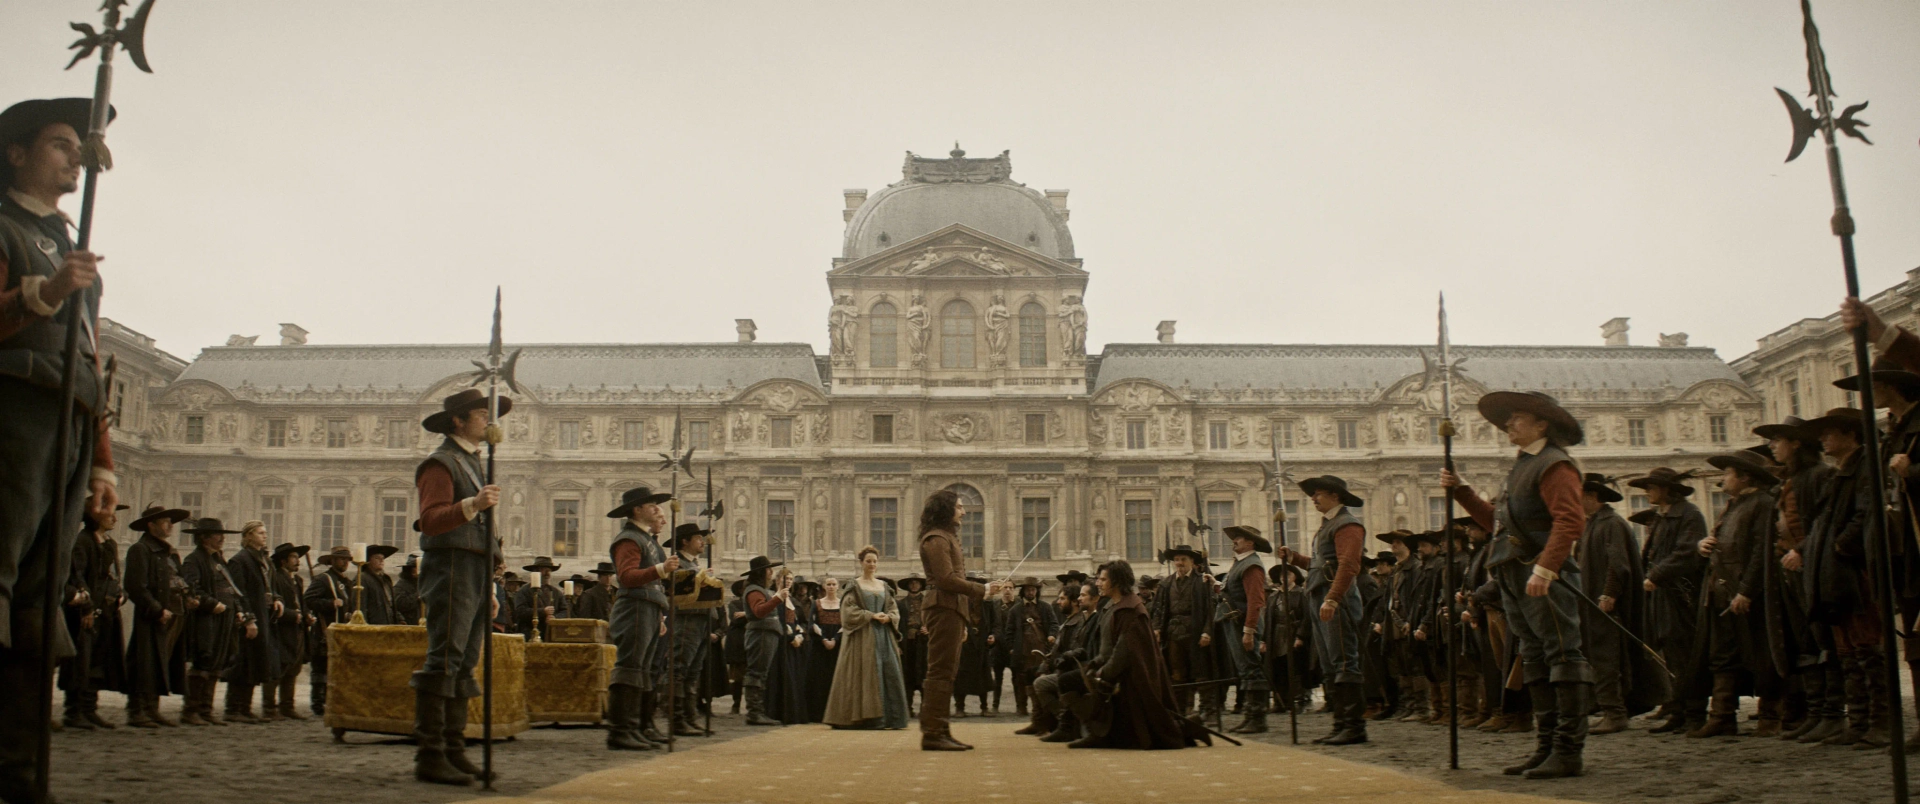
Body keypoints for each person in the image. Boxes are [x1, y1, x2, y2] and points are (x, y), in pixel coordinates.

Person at [0, 96, 121, 802]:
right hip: (12, 415)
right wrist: (42, 294)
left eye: (79, 148)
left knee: (38, 612)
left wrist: (101, 455)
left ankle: (19, 775)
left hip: (66, 430)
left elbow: (88, 362)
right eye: (57, 144)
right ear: (16, 153)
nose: (73, 157)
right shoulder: (6, 230)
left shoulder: (74, 252)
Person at [1441, 390, 1591, 779]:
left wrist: (1546, 569)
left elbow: (1569, 521)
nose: (1508, 424)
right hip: (1512, 572)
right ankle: (1545, 747)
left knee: (1562, 655)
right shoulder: (1524, 465)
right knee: (1535, 658)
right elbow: (1499, 523)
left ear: (1542, 423)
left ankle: (1568, 750)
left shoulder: (1555, 465)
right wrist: (1462, 491)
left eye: (1517, 418)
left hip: (1541, 574)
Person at [409, 387, 510, 785]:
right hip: (450, 565)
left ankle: (453, 747)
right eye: (483, 414)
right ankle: (429, 753)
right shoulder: (440, 463)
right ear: (458, 420)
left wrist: (489, 581)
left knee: (466, 660)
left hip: (474, 567)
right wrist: (474, 505)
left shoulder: (472, 463)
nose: (490, 421)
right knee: (445, 657)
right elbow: (431, 521)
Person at [1799, 407, 1888, 748]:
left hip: (1854, 570)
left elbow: (1865, 513)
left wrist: (1840, 547)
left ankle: (1880, 722)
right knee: (1848, 650)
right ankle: (1860, 721)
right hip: (1835, 570)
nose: (1823, 439)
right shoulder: (1840, 473)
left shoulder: (1865, 467)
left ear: (1851, 435)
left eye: (1830, 433)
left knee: (1867, 647)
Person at [1686, 450, 1784, 738]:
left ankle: (1770, 716)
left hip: (1746, 593)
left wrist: (1746, 591)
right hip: (1720, 590)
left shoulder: (1763, 504)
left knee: (1762, 653)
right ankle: (1722, 716)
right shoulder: (1733, 505)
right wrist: (1704, 545)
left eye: (1728, 473)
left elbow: (1760, 552)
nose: (1723, 478)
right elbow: (1723, 542)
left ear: (1744, 476)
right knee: (1722, 655)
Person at [1064, 560, 1201, 749]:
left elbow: (1124, 653)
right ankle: (1096, 732)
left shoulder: (1131, 611)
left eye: (1103, 579)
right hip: (1116, 672)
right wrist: (1095, 665)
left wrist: (1102, 673)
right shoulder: (1113, 606)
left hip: (1132, 679)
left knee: (1152, 730)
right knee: (1072, 680)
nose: (1098, 583)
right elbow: (1108, 647)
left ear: (1117, 581)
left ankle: (1189, 727)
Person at [1758, 416, 1836, 742]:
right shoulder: (1791, 481)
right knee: (1804, 644)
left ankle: (1833, 714)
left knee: (1823, 642)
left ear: (1796, 443)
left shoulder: (1820, 476)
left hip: (1812, 567)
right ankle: (1816, 713)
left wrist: (1802, 549)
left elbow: (1823, 522)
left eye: (1778, 440)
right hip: (1789, 569)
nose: (1773, 447)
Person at [1281, 476, 1368, 746]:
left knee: (1343, 661)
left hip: (1335, 601)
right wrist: (1295, 559)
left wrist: (1332, 599)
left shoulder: (1348, 524)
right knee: (1331, 664)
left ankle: (1354, 726)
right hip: (1319, 597)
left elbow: (1348, 565)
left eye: (1318, 494)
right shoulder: (1328, 526)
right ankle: (1340, 723)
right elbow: (1321, 566)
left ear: (1335, 495)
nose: (1313, 498)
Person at [917, 489, 999, 751]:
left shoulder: (945, 538)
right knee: (941, 670)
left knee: (947, 670)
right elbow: (945, 579)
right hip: (943, 607)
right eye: (960, 507)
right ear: (946, 510)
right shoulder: (936, 539)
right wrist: (981, 590)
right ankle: (932, 733)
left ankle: (940, 729)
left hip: (951, 608)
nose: (964, 511)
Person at [1632, 466, 1709, 735]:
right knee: (1669, 654)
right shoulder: (1664, 517)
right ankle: (1678, 710)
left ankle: (1696, 712)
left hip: (1681, 594)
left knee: (1685, 654)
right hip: (1663, 594)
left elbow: (1687, 553)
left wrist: (1656, 574)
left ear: (1666, 489)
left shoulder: (1690, 515)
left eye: (1651, 487)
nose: (1647, 492)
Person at [604, 484, 674, 752]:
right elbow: (627, 576)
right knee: (630, 668)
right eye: (651, 505)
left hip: (648, 607)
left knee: (643, 670)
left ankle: (635, 726)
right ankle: (620, 730)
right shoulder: (629, 539)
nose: (657, 509)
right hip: (633, 607)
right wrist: (660, 569)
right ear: (636, 510)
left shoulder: (647, 540)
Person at [1575, 474, 1645, 736]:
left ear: (1592, 496)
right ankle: (1608, 709)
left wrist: (1609, 594)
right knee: (1597, 655)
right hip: (1592, 602)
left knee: (1606, 657)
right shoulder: (1594, 524)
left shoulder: (1611, 523)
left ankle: (1614, 713)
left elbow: (1618, 564)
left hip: (1603, 604)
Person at [825, 546, 909, 729]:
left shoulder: (883, 586)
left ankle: (890, 718)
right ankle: (867, 717)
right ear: (861, 563)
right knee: (866, 672)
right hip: (863, 636)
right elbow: (847, 612)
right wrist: (870, 615)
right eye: (868, 561)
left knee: (888, 671)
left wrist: (889, 617)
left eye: (874, 561)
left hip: (884, 636)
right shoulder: (854, 586)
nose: (872, 564)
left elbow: (893, 608)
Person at [61, 503, 127, 730]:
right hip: (85, 612)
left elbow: (113, 577)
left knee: (98, 660)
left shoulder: (109, 544)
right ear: (95, 516)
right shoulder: (82, 542)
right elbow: (77, 576)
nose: (115, 519)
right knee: (81, 661)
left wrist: (120, 595)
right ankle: (74, 711)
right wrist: (86, 607)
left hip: (106, 611)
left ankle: (90, 709)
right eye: (110, 514)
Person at [121, 505, 188, 729]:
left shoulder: (168, 552)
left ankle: (152, 708)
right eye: (165, 521)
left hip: (173, 614)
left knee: (161, 662)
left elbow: (177, 579)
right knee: (144, 662)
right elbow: (135, 586)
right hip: (153, 616)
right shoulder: (140, 550)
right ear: (151, 526)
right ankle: (137, 710)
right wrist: (156, 609)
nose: (170, 525)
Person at [178, 518, 244, 727]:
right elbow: (191, 588)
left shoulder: (218, 560)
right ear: (204, 537)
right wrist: (210, 604)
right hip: (204, 620)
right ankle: (191, 710)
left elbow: (230, 588)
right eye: (217, 534)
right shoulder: (193, 560)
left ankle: (205, 710)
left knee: (217, 662)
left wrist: (238, 611)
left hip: (223, 619)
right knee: (202, 661)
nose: (222, 538)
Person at [664, 523, 722, 737]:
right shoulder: (678, 565)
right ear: (684, 541)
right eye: (698, 538)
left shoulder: (695, 565)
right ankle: (677, 719)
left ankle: (690, 716)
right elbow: (681, 594)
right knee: (679, 669)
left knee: (693, 672)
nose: (703, 542)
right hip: (687, 620)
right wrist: (703, 580)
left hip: (701, 620)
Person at [222, 520, 279, 724]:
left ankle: (245, 708)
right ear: (248, 536)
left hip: (262, 616)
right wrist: (248, 619)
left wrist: (277, 599)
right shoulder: (240, 560)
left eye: (265, 532)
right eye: (260, 533)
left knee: (255, 662)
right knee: (242, 662)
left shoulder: (264, 560)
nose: (265, 536)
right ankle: (232, 708)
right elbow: (239, 593)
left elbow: (271, 586)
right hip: (249, 619)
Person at [1262, 563, 1315, 725]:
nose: (1284, 578)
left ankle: (1299, 700)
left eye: (1288, 575)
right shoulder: (1274, 596)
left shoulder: (1301, 594)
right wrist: (1264, 640)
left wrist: (1300, 636)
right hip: (1276, 635)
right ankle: (1280, 701)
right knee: (1278, 668)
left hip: (1293, 634)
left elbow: (1307, 617)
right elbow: (1268, 620)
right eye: (1282, 575)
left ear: (1294, 577)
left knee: (1296, 668)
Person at [302, 546, 353, 717]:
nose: (345, 562)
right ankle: (318, 703)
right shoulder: (324, 579)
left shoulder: (346, 582)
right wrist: (330, 604)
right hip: (323, 631)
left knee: (335, 669)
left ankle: (331, 700)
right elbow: (309, 599)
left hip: (340, 632)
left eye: (347, 559)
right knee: (320, 669)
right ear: (332, 561)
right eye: (341, 559)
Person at [1001, 576, 1060, 720]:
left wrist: (1052, 635)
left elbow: (1054, 624)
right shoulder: (1015, 610)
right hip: (1022, 650)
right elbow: (1009, 632)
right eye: (1028, 590)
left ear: (1037, 591)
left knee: (1039, 677)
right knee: (1020, 679)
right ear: (1023, 592)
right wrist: (1011, 648)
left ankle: (1039, 708)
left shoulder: (1045, 607)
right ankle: (1021, 707)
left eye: (1033, 590)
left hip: (1041, 649)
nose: (1031, 592)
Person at [737, 556, 785, 726]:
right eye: (768, 569)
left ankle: (758, 711)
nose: (771, 572)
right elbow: (759, 611)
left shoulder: (759, 589)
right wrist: (777, 598)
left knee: (761, 672)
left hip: (766, 633)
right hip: (761, 634)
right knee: (756, 671)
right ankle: (754, 712)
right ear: (761, 572)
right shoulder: (754, 590)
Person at [267, 542, 311, 721]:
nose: (297, 561)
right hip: (281, 628)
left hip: (297, 629)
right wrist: (293, 615)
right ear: (283, 561)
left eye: (297, 557)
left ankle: (287, 706)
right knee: (278, 667)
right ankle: (269, 707)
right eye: (293, 557)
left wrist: (307, 615)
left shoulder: (297, 580)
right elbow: (274, 606)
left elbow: (301, 602)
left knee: (293, 666)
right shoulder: (276, 578)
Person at [766, 571, 815, 724]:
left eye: (790, 579)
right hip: (780, 643)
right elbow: (777, 621)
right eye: (785, 578)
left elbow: (797, 620)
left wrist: (799, 633)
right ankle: (778, 712)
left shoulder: (792, 600)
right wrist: (790, 636)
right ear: (777, 580)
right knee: (781, 676)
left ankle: (793, 712)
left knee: (795, 677)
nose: (788, 581)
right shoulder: (773, 598)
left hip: (794, 644)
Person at [954, 573, 998, 717]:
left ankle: (984, 707)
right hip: (964, 645)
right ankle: (959, 708)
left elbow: (996, 624)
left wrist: (993, 635)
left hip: (982, 645)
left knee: (982, 677)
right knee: (961, 678)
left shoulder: (987, 604)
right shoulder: (959, 602)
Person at [806, 577, 843, 722]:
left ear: (838, 586)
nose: (831, 587)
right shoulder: (817, 604)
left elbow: (845, 624)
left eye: (834, 584)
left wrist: (835, 639)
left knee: (836, 677)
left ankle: (837, 714)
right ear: (824, 587)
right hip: (819, 647)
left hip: (838, 646)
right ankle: (818, 714)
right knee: (819, 678)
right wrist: (823, 640)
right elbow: (812, 624)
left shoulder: (842, 604)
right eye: (828, 584)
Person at [897, 573, 928, 716]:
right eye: (912, 583)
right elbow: (896, 625)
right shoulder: (901, 604)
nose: (914, 585)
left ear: (921, 585)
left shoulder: (928, 603)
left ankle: (925, 708)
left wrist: (928, 628)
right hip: (906, 644)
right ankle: (908, 707)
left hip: (924, 644)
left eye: (917, 583)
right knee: (907, 675)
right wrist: (898, 644)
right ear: (908, 585)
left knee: (924, 674)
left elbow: (936, 620)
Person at [357, 544, 399, 626]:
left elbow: (391, 603)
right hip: (373, 626)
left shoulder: (386, 579)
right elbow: (360, 605)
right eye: (377, 558)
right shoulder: (362, 579)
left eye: (382, 558)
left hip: (388, 625)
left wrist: (399, 619)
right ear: (368, 561)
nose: (381, 561)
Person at [393, 554, 421, 626]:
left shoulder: (422, 584)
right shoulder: (400, 586)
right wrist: (417, 595)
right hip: (409, 624)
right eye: (415, 567)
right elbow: (400, 604)